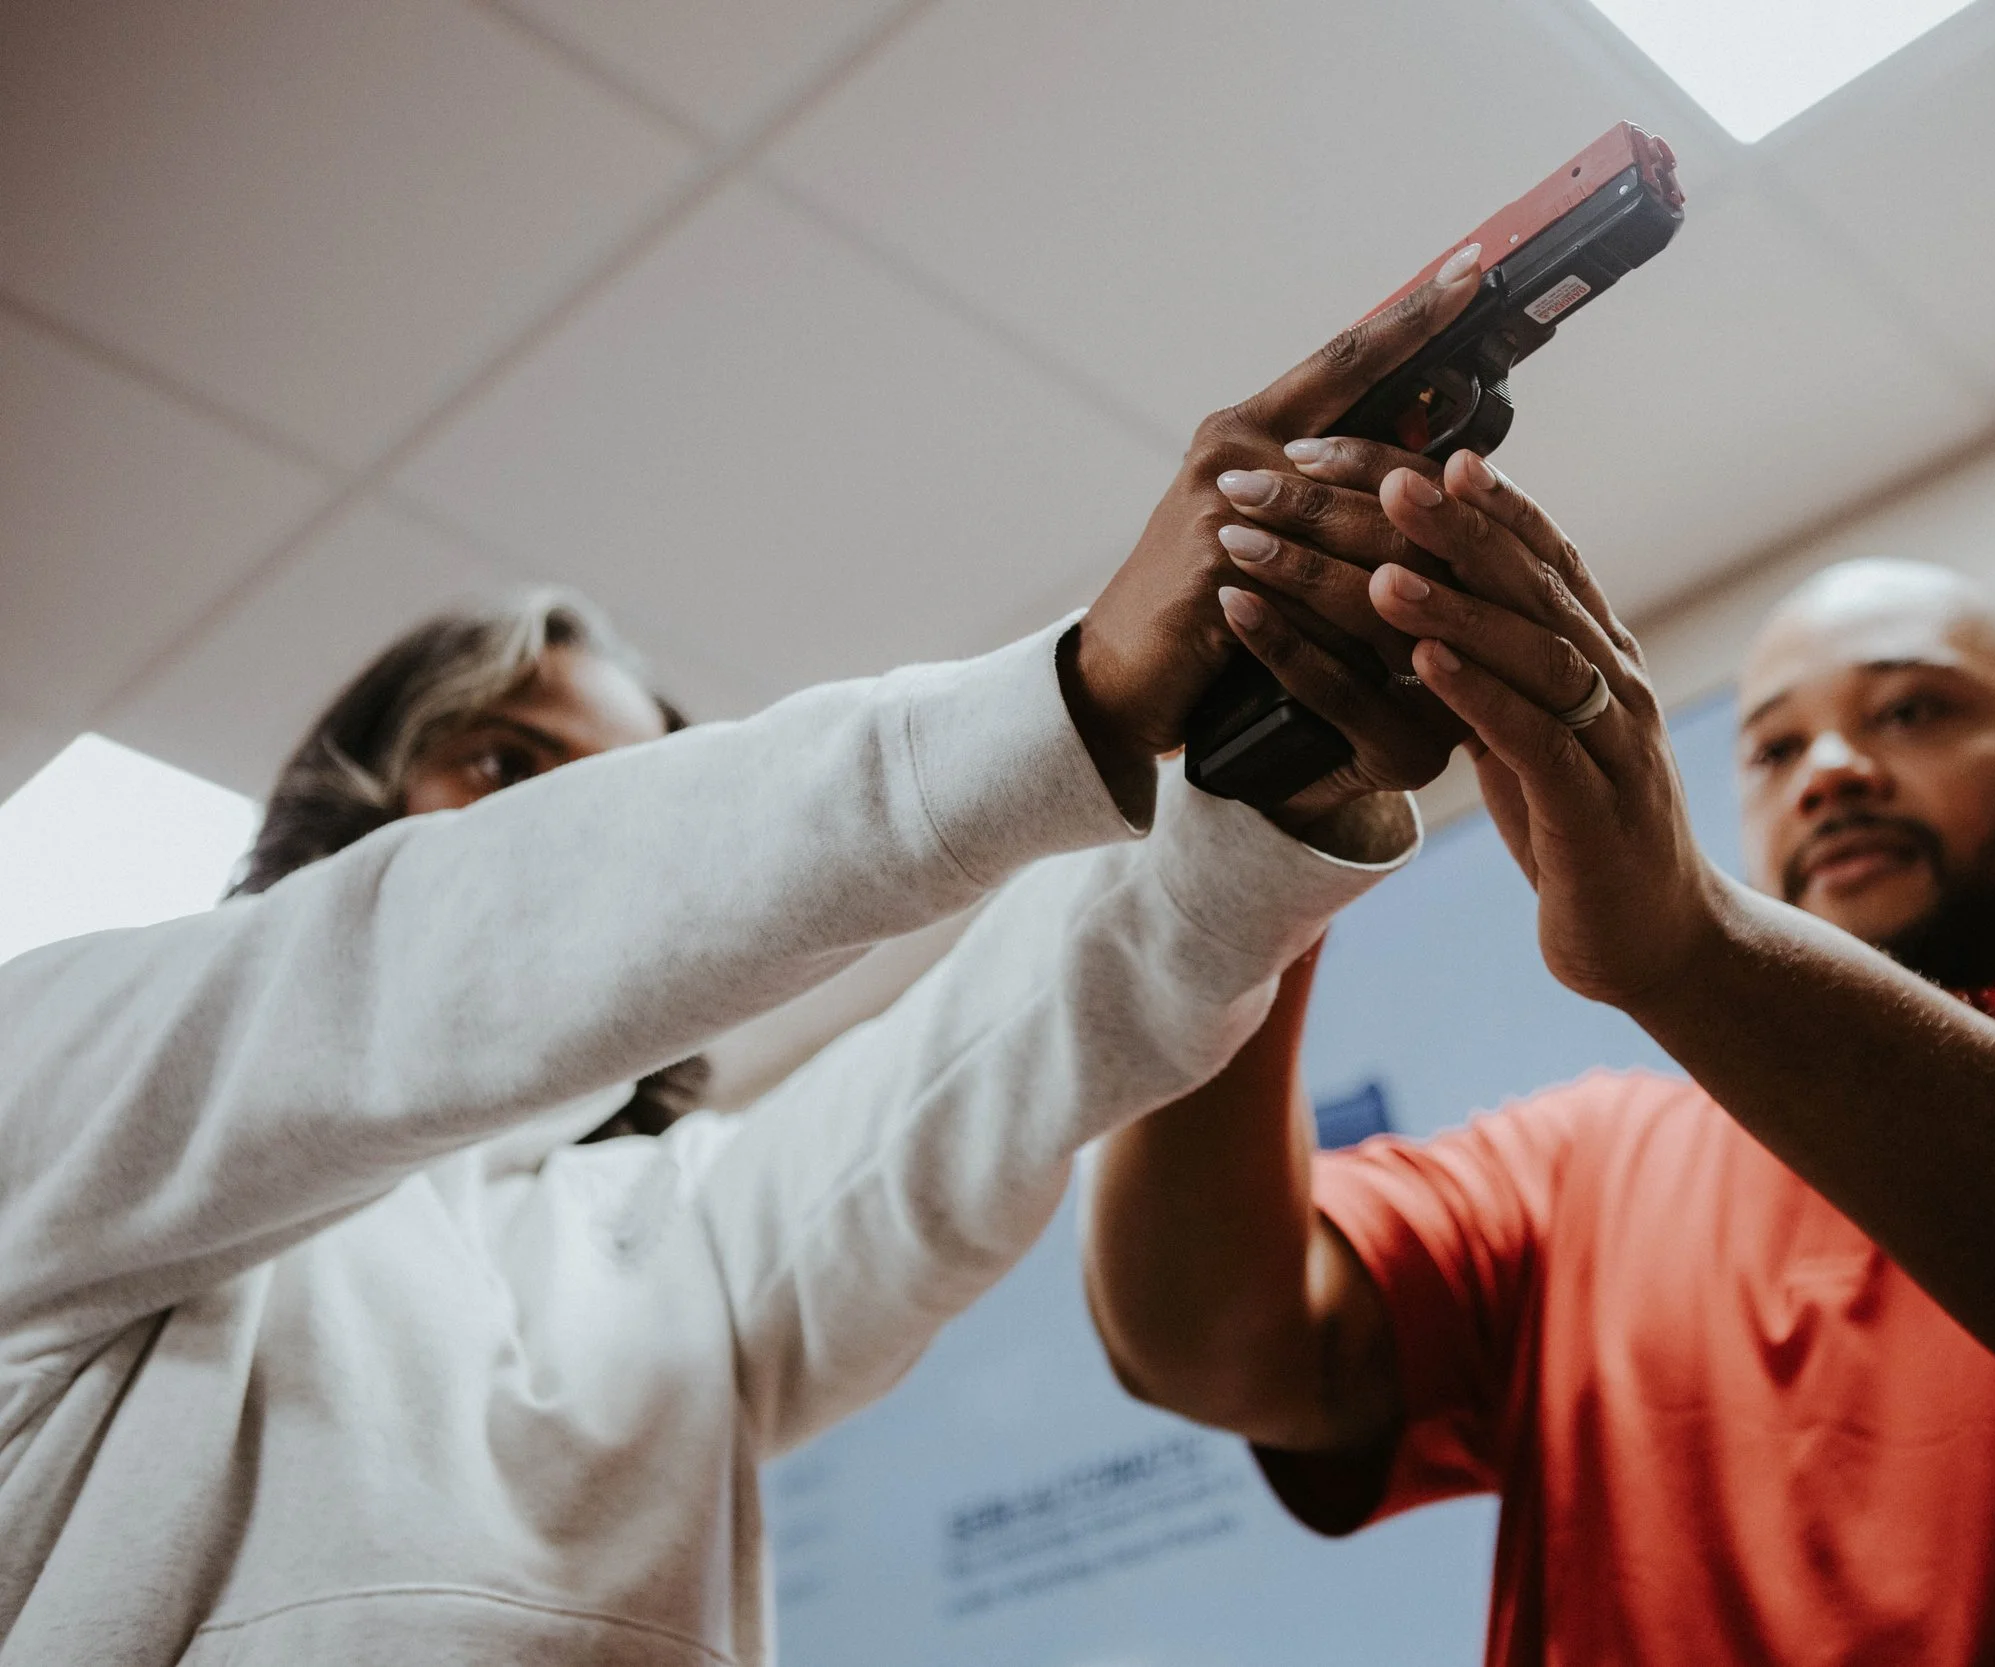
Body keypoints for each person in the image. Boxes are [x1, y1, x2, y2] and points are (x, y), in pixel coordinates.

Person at [0, 247, 1495, 1665]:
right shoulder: (80, 1087)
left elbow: (1011, 1053)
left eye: (623, 779)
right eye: (507, 766)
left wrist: (1269, 780)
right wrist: (1077, 694)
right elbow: (399, 958)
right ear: (354, 793)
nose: (576, 819)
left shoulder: (672, 1232)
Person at [1085, 445, 1995, 1666]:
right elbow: (1211, 1341)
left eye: (1913, 709)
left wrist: (1693, 951)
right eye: (1774, 747)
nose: (1832, 768)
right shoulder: (1574, 1172)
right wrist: (1253, 856)